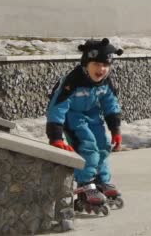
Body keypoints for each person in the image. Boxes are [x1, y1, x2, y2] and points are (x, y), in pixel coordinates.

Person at [46, 38, 124, 207]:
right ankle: (85, 185)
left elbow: (111, 105)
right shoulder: (72, 82)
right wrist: (55, 137)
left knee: (102, 146)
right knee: (88, 147)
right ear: (86, 63)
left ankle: (102, 180)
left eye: (105, 65)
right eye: (96, 64)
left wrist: (116, 130)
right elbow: (57, 108)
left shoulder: (106, 82)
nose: (101, 69)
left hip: (93, 116)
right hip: (72, 117)